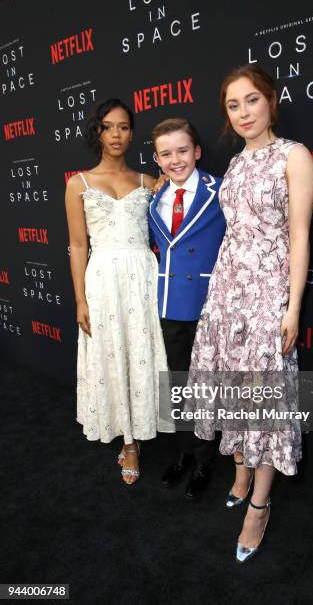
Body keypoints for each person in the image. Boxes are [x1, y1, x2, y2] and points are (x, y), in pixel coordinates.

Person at [188, 65, 313, 561]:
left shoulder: (295, 155)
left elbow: (299, 236)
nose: (243, 113)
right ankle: (241, 469)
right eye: (232, 105)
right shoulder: (238, 163)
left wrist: (293, 306)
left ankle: (259, 506)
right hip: (227, 292)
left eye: (251, 101)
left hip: (268, 294)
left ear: (271, 100)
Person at [65, 99, 174, 485]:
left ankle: (143, 425)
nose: (117, 134)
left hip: (142, 279)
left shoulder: (148, 182)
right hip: (103, 282)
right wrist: (80, 299)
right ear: (97, 131)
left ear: (132, 132)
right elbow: (78, 246)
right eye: (108, 127)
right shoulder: (77, 184)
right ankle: (128, 442)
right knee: (111, 354)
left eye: (124, 127)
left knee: (140, 354)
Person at [148, 118, 226, 499]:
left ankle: (205, 458)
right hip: (170, 305)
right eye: (166, 153)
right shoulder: (153, 199)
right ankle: (182, 454)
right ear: (157, 159)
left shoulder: (221, 191)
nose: (175, 159)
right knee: (177, 385)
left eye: (182, 150)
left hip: (210, 305)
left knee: (207, 388)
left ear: (197, 151)